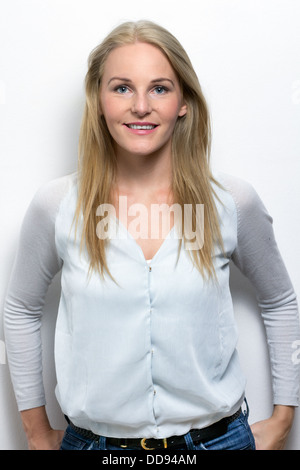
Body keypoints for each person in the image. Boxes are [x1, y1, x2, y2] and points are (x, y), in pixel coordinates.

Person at [4, 20, 300, 451]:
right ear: (98, 100)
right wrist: (34, 431)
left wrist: (284, 416)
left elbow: (279, 300)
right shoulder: (56, 205)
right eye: (122, 88)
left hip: (217, 443)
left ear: (183, 102)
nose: (140, 106)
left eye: (159, 88)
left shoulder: (232, 201)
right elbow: (20, 308)